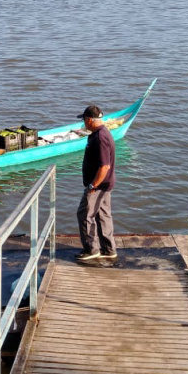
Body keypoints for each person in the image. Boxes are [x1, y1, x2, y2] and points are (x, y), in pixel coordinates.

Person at [75, 105, 117, 261]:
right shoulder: (101, 133)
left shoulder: (100, 138)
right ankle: (108, 249)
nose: (84, 123)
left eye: (84, 120)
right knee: (103, 215)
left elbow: (104, 166)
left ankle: (92, 249)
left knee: (85, 214)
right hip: (105, 184)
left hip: (98, 185)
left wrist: (92, 186)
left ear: (89, 120)